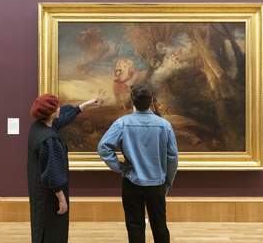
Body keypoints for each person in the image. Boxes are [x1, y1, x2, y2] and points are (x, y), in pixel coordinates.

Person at [98, 84, 178, 243]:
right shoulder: (164, 125)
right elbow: (172, 157)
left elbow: (103, 147)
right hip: (157, 184)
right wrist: (168, 182)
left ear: (132, 101)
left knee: (135, 226)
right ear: (151, 101)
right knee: (160, 225)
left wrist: (119, 167)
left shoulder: (122, 123)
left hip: (132, 182)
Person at [27, 94, 100, 243]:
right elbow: (52, 174)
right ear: (51, 113)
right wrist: (62, 199)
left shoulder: (38, 127)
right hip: (50, 196)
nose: (60, 109)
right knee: (53, 231)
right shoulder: (49, 140)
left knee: (40, 227)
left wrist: (84, 105)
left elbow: (62, 119)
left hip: (39, 191)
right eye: (56, 107)